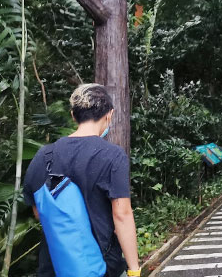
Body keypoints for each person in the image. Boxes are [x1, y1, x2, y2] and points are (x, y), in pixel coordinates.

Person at [23, 84, 141, 277]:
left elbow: (38, 212)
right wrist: (134, 269)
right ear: (109, 115)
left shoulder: (44, 155)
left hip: (53, 266)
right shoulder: (113, 156)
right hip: (101, 265)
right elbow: (121, 215)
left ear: (73, 115)